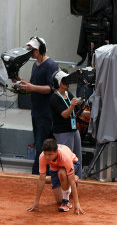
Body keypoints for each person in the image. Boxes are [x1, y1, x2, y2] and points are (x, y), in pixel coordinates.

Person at [16, 37, 58, 174]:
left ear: (41, 50)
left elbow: (51, 88)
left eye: (33, 50)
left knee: (42, 145)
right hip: (36, 111)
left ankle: (39, 173)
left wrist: (31, 87)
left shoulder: (50, 65)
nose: (31, 52)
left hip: (45, 112)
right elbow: (34, 84)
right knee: (38, 144)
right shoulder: (36, 64)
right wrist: (20, 81)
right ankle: (41, 173)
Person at [49, 70, 90, 179]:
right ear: (59, 83)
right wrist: (72, 106)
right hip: (63, 132)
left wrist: (93, 114)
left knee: (76, 157)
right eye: (64, 81)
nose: (67, 83)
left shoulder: (68, 94)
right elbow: (64, 114)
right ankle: (65, 183)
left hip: (73, 130)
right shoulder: (54, 98)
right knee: (66, 159)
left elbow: (78, 112)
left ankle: (76, 181)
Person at [27, 138, 85, 214]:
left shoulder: (65, 158)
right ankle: (68, 179)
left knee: (62, 173)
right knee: (58, 200)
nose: (47, 157)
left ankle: (66, 201)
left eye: (50, 154)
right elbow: (41, 179)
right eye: (45, 154)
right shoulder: (42, 157)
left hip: (73, 164)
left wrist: (77, 204)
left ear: (56, 152)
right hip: (55, 168)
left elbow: (72, 181)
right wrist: (36, 202)